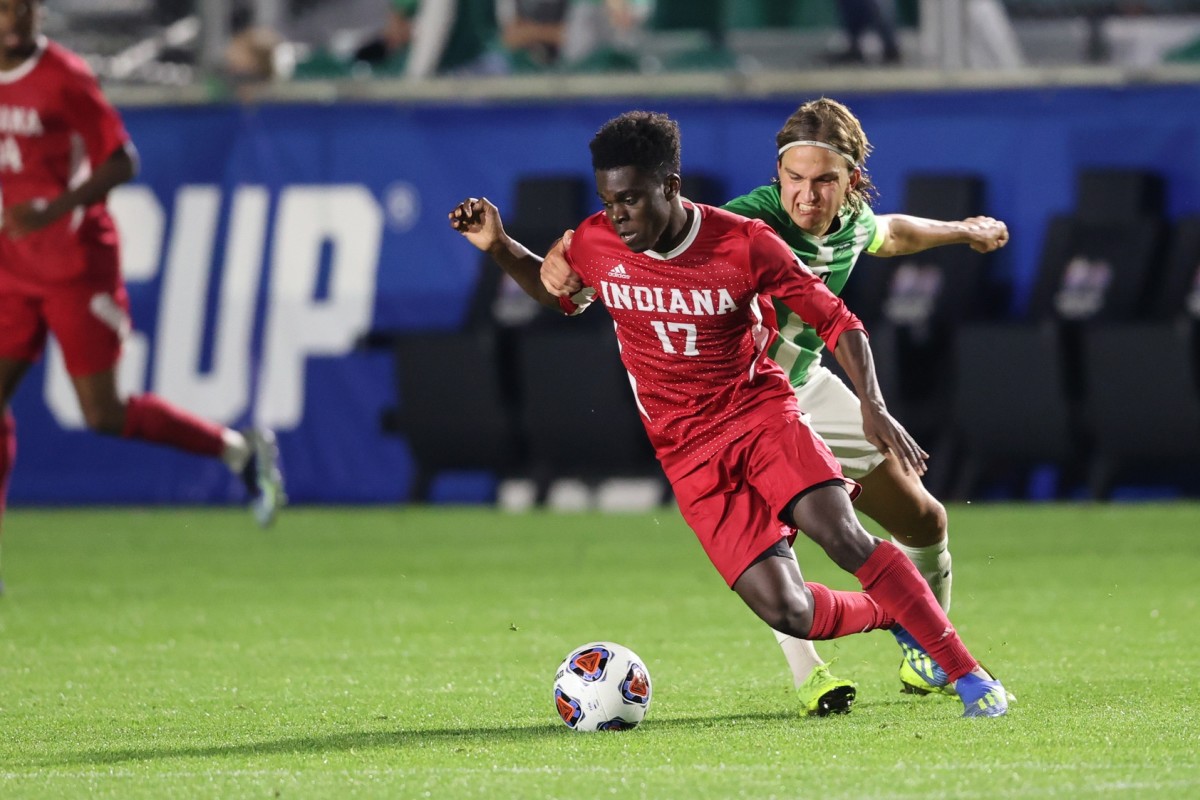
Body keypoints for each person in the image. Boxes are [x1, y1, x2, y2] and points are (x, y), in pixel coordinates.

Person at [450, 110, 1009, 718]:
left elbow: (847, 305)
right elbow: (559, 292)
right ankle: (893, 616)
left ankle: (968, 675)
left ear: (671, 186)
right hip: (687, 450)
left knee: (847, 532)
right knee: (787, 607)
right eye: (609, 200)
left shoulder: (741, 241)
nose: (619, 214)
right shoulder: (600, 239)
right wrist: (503, 246)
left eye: (631, 199)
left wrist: (874, 405)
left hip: (764, 408)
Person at [0, 0, 286, 592]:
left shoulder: (63, 76)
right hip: (11, 266)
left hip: (75, 263)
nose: (14, 17)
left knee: (102, 412)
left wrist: (52, 210)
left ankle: (239, 452)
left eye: (23, 7)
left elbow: (122, 159)